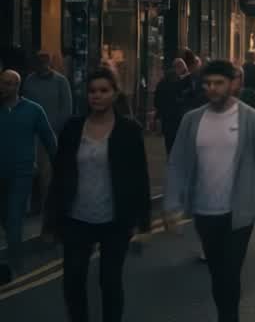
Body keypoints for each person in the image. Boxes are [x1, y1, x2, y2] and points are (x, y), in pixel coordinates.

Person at [163, 60, 255, 322]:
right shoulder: (192, 120)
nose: (212, 89)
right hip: (204, 212)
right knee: (217, 274)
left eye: (218, 83)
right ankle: (225, 313)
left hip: (239, 212)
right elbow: (178, 162)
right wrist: (172, 204)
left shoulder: (251, 118)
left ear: (232, 84)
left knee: (230, 273)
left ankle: (229, 317)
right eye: (207, 84)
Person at [44, 68, 150, 322]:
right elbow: (60, 176)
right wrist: (52, 219)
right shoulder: (72, 129)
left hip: (115, 219)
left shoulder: (128, 130)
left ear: (114, 94)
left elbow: (139, 177)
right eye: (92, 91)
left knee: (110, 281)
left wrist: (140, 219)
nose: (97, 96)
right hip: (77, 217)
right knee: (73, 279)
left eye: (103, 91)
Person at [0, 68, 58, 284]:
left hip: (21, 173)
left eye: (8, 83)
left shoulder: (33, 110)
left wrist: (59, 166)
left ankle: (16, 267)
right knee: (5, 218)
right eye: (1, 83)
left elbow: (49, 138)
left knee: (15, 217)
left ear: (17, 86)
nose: (3, 87)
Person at [21, 51, 72, 212]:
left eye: (45, 61)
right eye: (39, 61)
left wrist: (54, 128)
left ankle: (46, 208)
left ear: (49, 63)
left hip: (50, 134)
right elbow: (23, 103)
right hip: (30, 133)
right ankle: (25, 207)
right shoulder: (29, 80)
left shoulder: (61, 81)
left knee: (46, 174)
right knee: (27, 171)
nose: (42, 64)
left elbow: (66, 109)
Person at [154, 58, 193, 154]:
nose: (183, 74)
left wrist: (160, 112)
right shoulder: (178, 82)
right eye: (183, 71)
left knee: (169, 142)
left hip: (166, 117)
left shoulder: (162, 82)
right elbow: (182, 97)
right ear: (179, 68)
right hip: (177, 117)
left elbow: (157, 100)